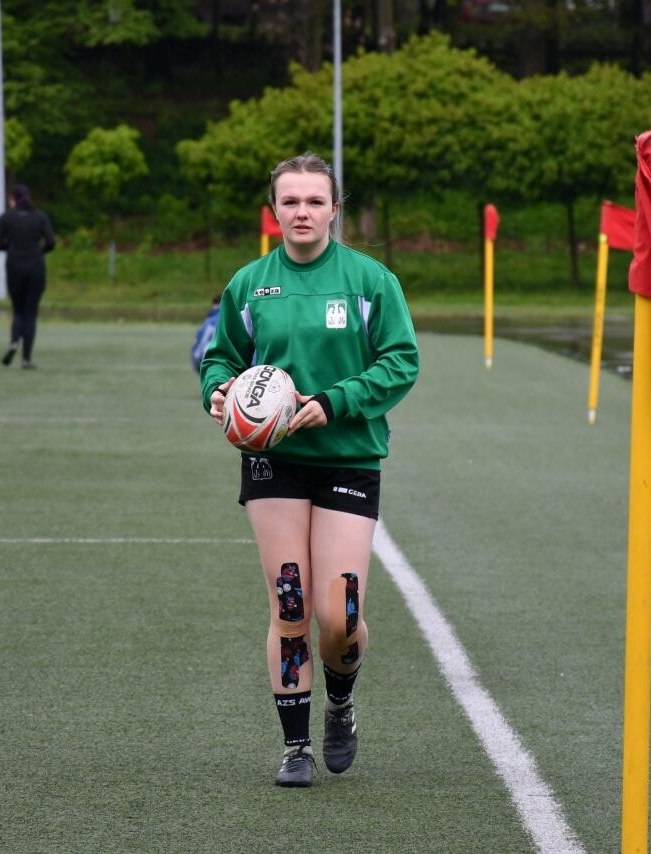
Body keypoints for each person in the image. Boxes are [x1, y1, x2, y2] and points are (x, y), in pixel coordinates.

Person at [199, 152, 419, 788]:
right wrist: (218, 392)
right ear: (273, 210)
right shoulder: (250, 284)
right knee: (290, 601)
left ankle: (340, 703)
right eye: (290, 201)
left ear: (334, 209)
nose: (302, 212)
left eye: (315, 201)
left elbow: (401, 361)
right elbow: (221, 359)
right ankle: (295, 747)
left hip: (349, 457)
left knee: (339, 615)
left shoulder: (371, 281)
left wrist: (333, 402)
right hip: (274, 464)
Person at [0, 183, 56, 369]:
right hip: (35, 266)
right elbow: (51, 242)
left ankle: (14, 341)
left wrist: (13, 248)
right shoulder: (40, 217)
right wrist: (38, 251)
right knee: (31, 313)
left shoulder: (6, 218)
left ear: (13, 199)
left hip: (14, 266)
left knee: (18, 310)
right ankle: (26, 359)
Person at [190, 293, 221, 372]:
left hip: (203, 360)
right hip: (216, 362)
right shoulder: (227, 318)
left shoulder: (208, 321)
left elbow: (198, 349)